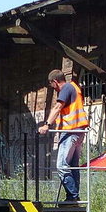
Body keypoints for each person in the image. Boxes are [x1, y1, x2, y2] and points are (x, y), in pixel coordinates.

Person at [38, 70, 89, 201]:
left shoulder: (66, 88)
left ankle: (73, 197)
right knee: (73, 167)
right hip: (79, 132)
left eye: (52, 85)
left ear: (55, 82)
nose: (53, 88)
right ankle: (73, 197)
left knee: (61, 166)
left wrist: (47, 125)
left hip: (71, 132)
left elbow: (57, 108)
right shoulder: (74, 87)